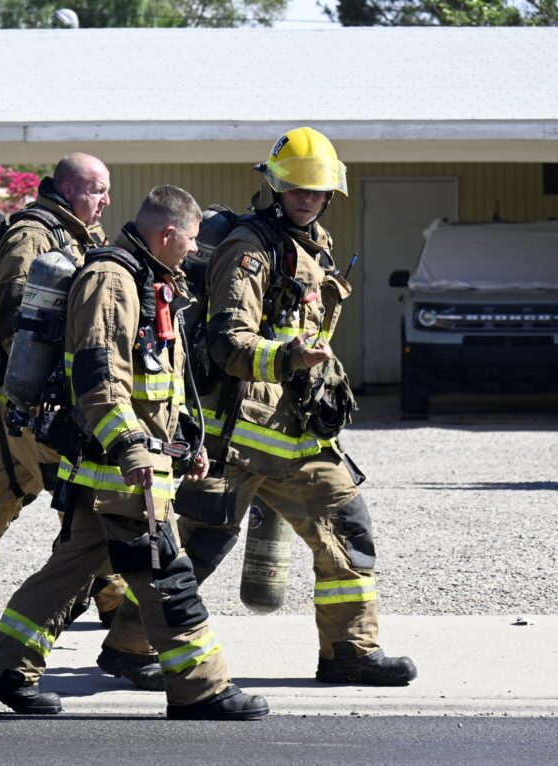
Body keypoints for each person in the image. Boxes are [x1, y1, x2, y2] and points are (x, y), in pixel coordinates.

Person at [0, 185, 270, 720]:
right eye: (192, 240)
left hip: (124, 466)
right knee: (166, 576)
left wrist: (185, 444)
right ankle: (201, 690)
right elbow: (100, 378)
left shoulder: (150, 278)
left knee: (69, 572)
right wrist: (133, 449)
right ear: (168, 233)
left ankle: (3, 670)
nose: (195, 250)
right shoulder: (112, 280)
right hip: (121, 470)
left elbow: (159, 383)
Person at [174, 126, 417, 686]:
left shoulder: (313, 245)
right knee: (200, 544)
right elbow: (228, 341)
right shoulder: (248, 248)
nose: (306, 198)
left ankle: (349, 652)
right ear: (275, 187)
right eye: (296, 187)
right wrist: (288, 357)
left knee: (346, 526)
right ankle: (133, 643)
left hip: (297, 433)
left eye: (316, 189)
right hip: (237, 435)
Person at [0, 154, 129, 631]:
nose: (106, 200)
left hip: (27, 400)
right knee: (85, 496)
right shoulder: (32, 235)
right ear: (67, 188)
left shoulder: (81, 234)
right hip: (31, 399)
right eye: (98, 189)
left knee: (2, 490)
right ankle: (116, 599)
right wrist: (45, 388)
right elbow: (15, 316)